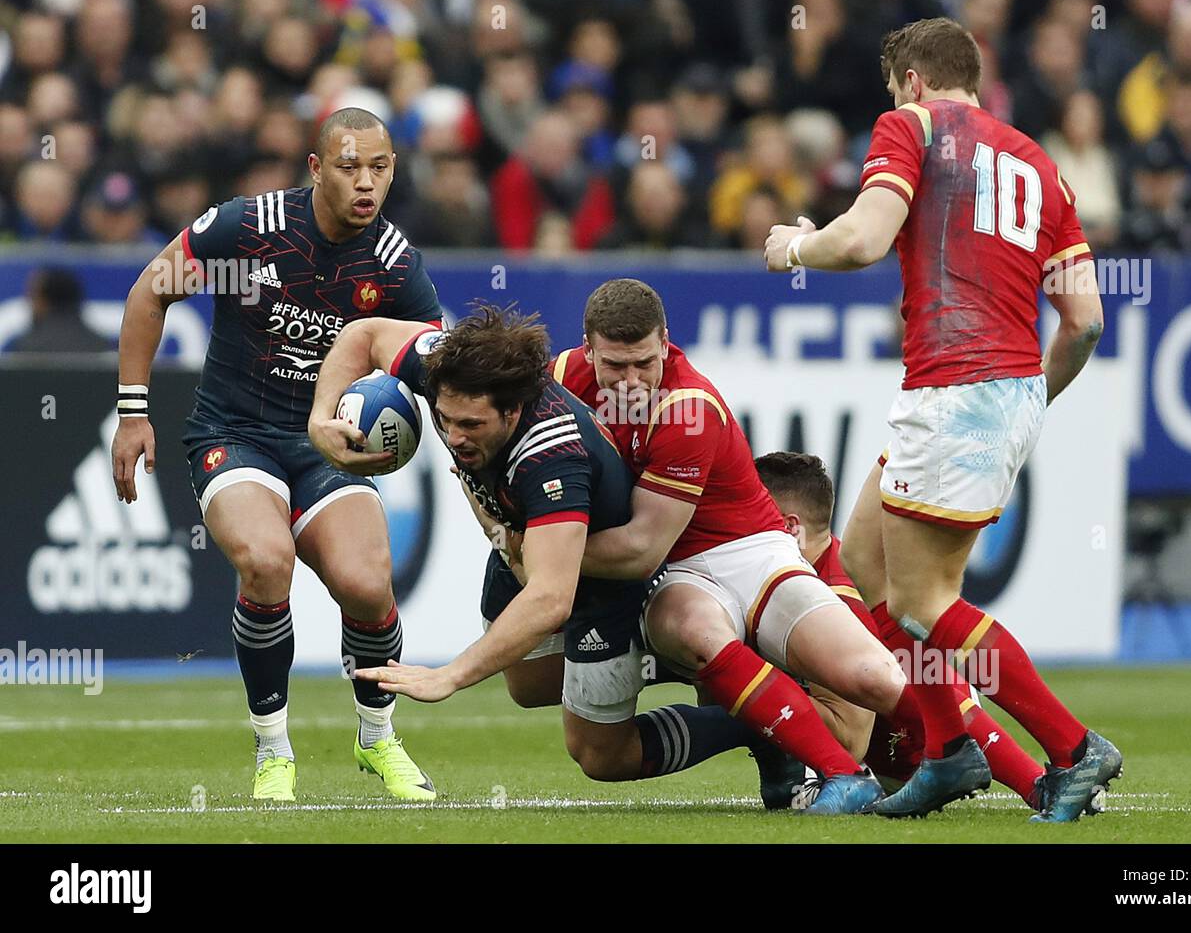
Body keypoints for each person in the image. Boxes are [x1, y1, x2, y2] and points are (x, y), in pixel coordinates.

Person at [763, 17, 1121, 821]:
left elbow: (861, 240)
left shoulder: (912, 127)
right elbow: (1087, 322)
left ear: (915, 82)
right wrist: (1030, 400)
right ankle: (949, 748)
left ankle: (1071, 750)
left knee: (925, 605)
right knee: (861, 564)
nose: (895, 101)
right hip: (990, 393)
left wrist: (794, 245)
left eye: (895, 88)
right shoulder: (1040, 163)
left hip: (954, 391)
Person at [111, 107, 442, 803]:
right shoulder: (247, 228)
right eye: (350, 166)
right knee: (265, 562)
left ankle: (378, 738)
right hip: (234, 431)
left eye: (380, 168)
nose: (367, 183)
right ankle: (273, 752)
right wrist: (133, 412)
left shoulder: (396, 267)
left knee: (367, 582)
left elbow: (431, 374)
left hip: (327, 446)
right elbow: (151, 291)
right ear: (317, 168)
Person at [308, 306, 769, 788]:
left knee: (600, 756)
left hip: (598, 581)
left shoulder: (553, 456)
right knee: (528, 686)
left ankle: (754, 725)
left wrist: (453, 674)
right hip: (522, 533)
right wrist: (321, 418)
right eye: (445, 420)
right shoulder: (447, 369)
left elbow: (550, 595)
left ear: (511, 412)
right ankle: (669, 663)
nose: (453, 436)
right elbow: (365, 333)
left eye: (471, 425)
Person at [552, 279, 909, 815]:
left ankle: (1005, 761)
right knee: (558, 713)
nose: (629, 383)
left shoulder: (688, 408)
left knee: (873, 681)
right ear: (587, 350)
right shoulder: (561, 379)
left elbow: (642, 550)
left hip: (732, 558)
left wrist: (538, 550)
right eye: (615, 366)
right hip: (672, 574)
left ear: (667, 343)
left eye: (644, 364)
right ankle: (763, 720)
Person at [754, 451, 1053, 812]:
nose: (742, 528)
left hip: (908, 758)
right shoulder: (814, 569)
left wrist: (753, 703)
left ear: (790, 526)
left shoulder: (835, 599)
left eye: (753, 515)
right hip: (923, 717)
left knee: (752, 694)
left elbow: (852, 739)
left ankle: (1040, 779)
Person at [7, 267, 115, 355]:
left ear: (44, 301)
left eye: (33, 296)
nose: (29, 303)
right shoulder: (100, 345)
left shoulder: (26, 347)